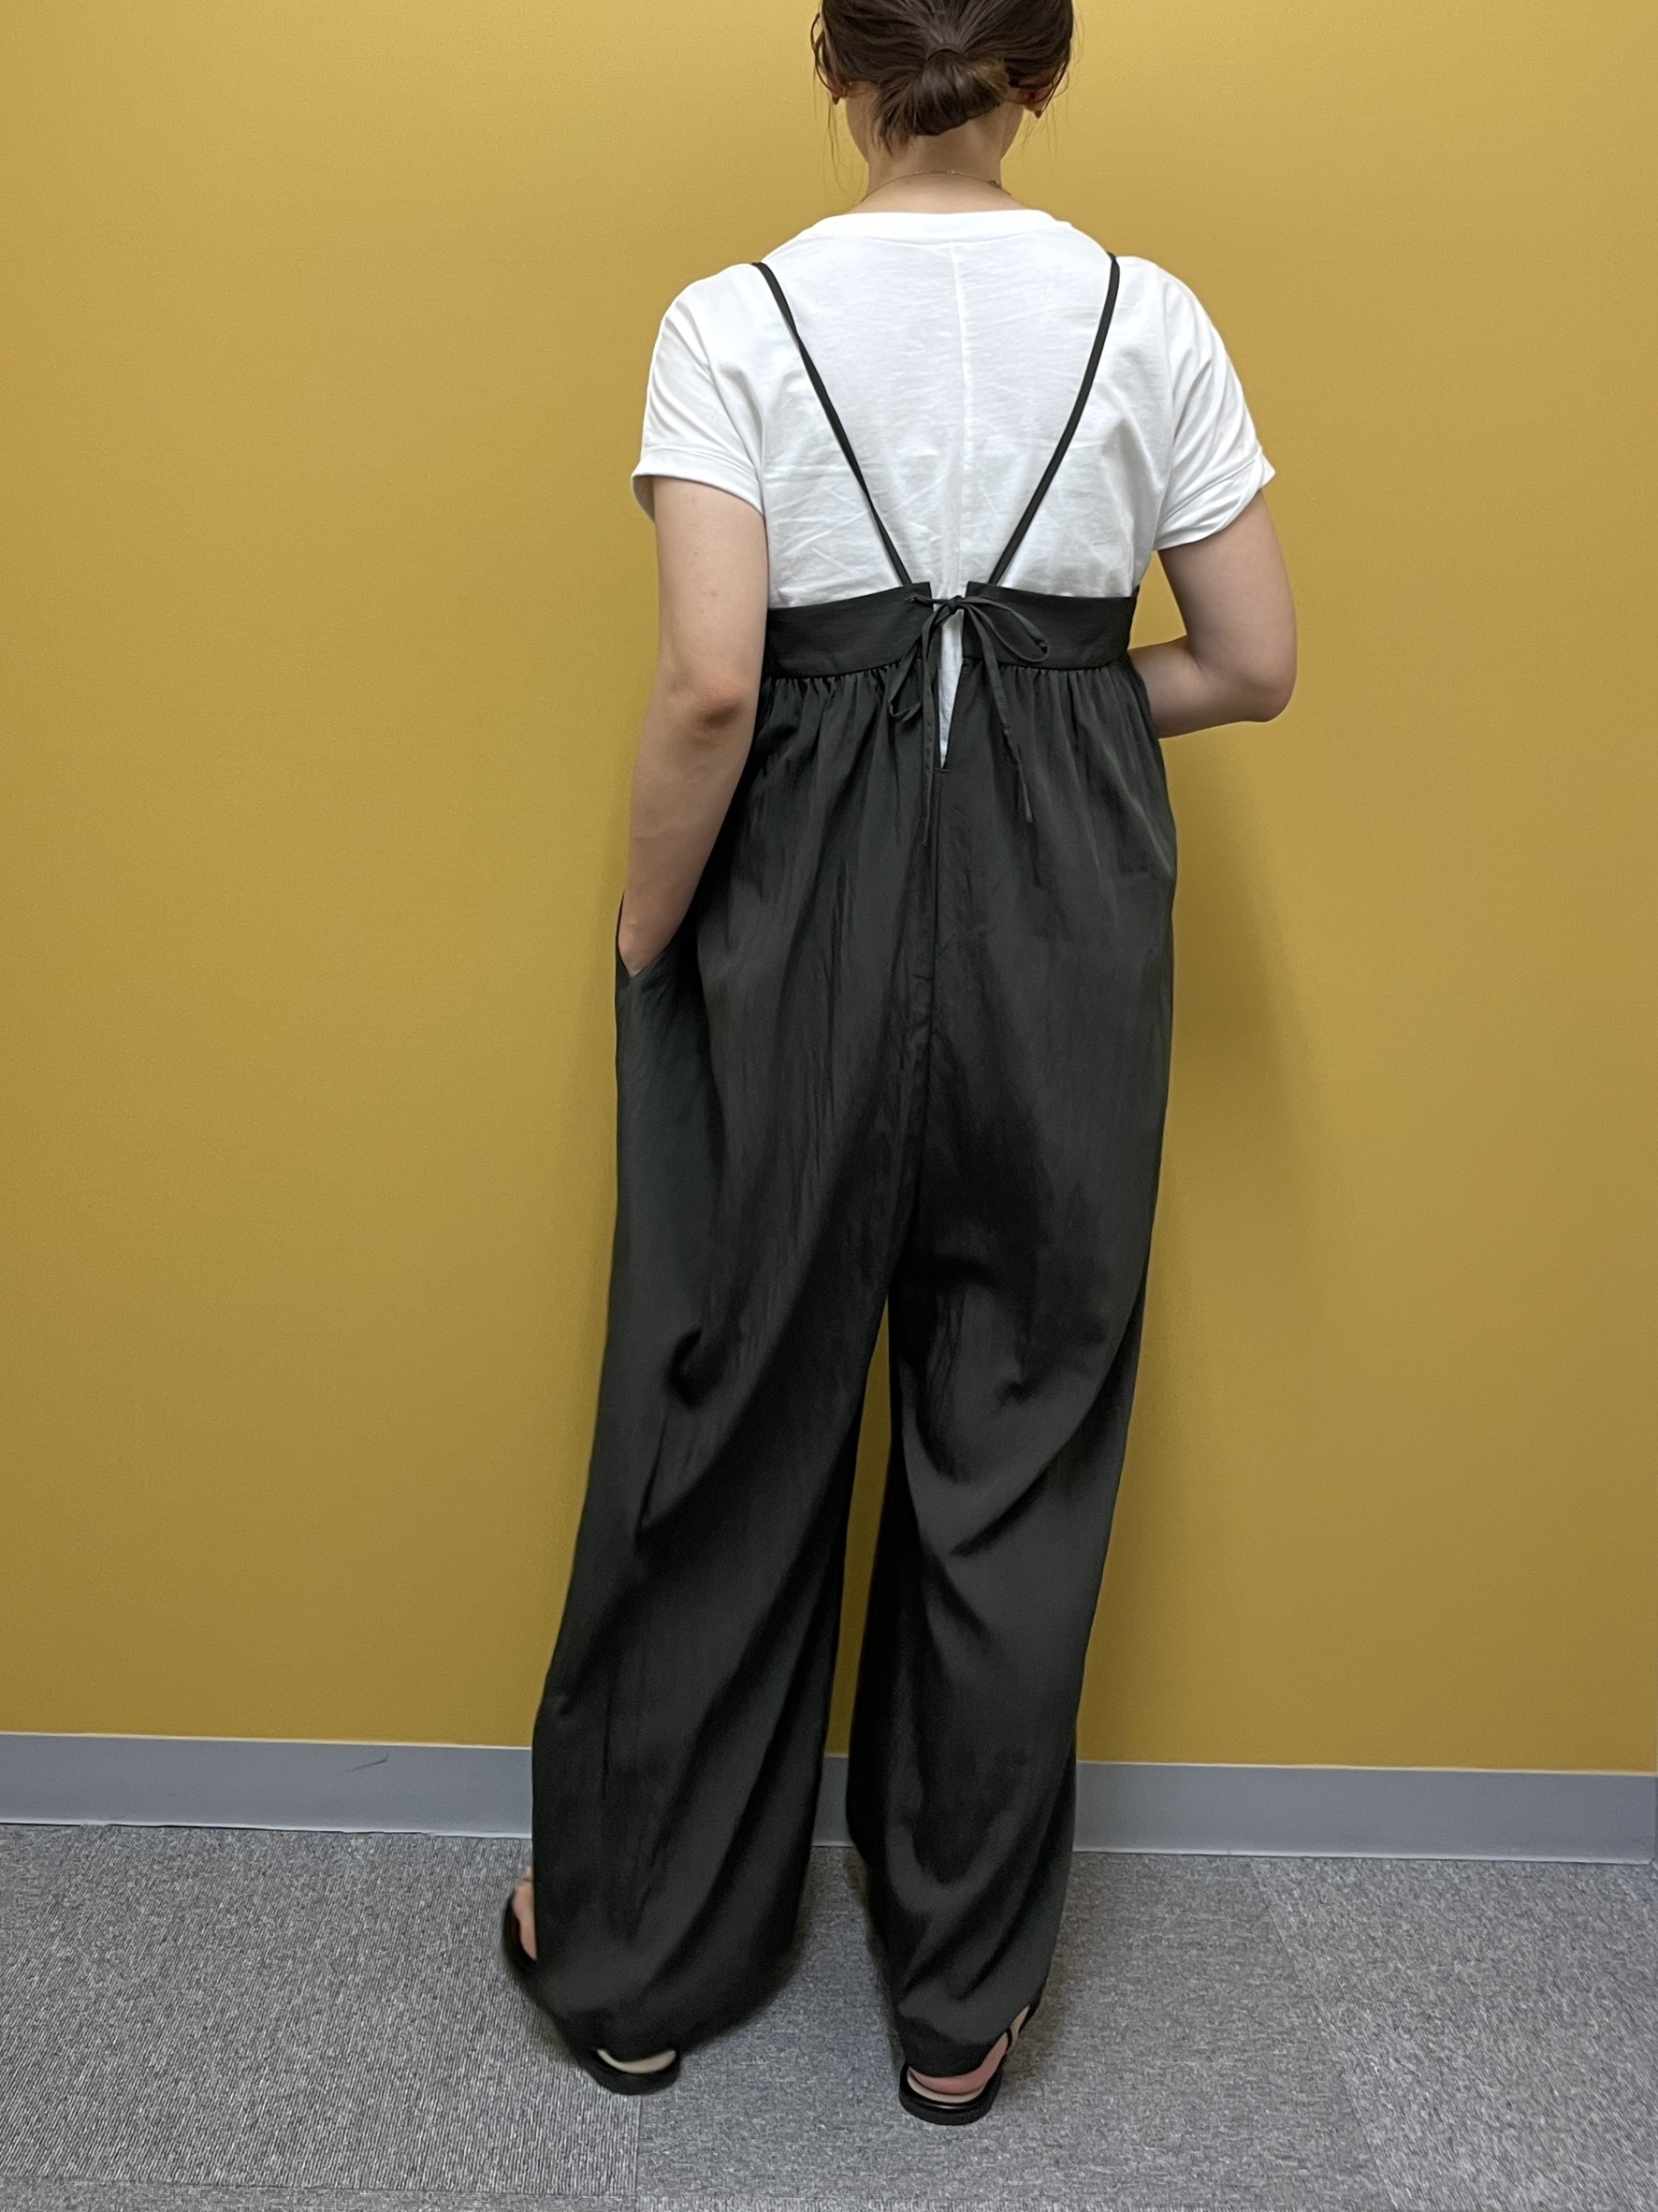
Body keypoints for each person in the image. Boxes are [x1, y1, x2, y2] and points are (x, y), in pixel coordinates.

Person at [501, 0, 1295, 2125]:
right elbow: (1254, 660)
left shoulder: (734, 319)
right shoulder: (1149, 320)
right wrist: (1056, 709)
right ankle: (956, 2008)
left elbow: (709, 685)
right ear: (1043, 77)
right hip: (1066, 916)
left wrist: (647, 928)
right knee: (1017, 1426)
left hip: (797, 913)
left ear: (831, 68)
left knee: (729, 1408)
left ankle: (645, 1959)